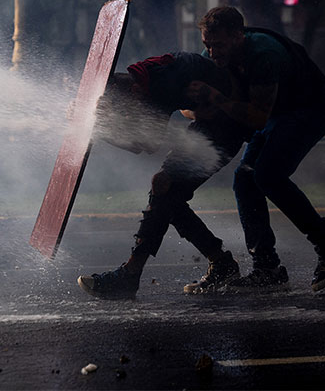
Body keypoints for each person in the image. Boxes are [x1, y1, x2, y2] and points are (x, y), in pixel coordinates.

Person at [188, 6, 325, 292]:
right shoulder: (214, 58)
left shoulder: (263, 54)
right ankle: (266, 267)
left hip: (309, 108)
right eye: (207, 45)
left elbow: (256, 117)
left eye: (219, 45)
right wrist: (196, 104)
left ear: (239, 36)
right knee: (245, 179)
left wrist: (215, 99)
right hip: (276, 114)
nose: (213, 53)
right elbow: (193, 106)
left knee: (268, 175)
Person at [77, 52, 252, 299]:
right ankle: (220, 261)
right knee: (167, 194)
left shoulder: (159, 87)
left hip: (227, 129)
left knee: (163, 185)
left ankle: (131, 273)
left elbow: (145, 145)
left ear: (135, 92)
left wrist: (101, 130)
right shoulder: (141, 75)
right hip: (209, 125)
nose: (130, 112)